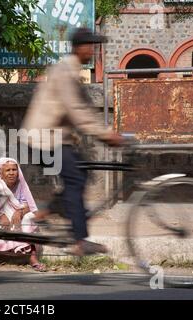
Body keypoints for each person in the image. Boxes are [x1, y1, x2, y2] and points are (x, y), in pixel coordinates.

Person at [21, 28, 124, 256]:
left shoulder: (72, 71)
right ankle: (80, 240)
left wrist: (106, 131)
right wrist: (106, 135)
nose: (93, 50)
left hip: (54, 138)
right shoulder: (64, 72)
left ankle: (50, 209)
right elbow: (77, 112)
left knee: (81, 173)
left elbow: (85, 108)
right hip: (42, 140)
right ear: (78, 47)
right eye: (90, 46)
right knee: (76, 178)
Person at [0, 158, 46, 272]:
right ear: (0, 173)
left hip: (16, 217)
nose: (12, 173)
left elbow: (29, 205)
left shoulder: (21, 184)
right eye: (8, 170)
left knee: (30, 217)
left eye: (14, 169)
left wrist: (20, 212)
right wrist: (1, 216)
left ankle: (33, 258)